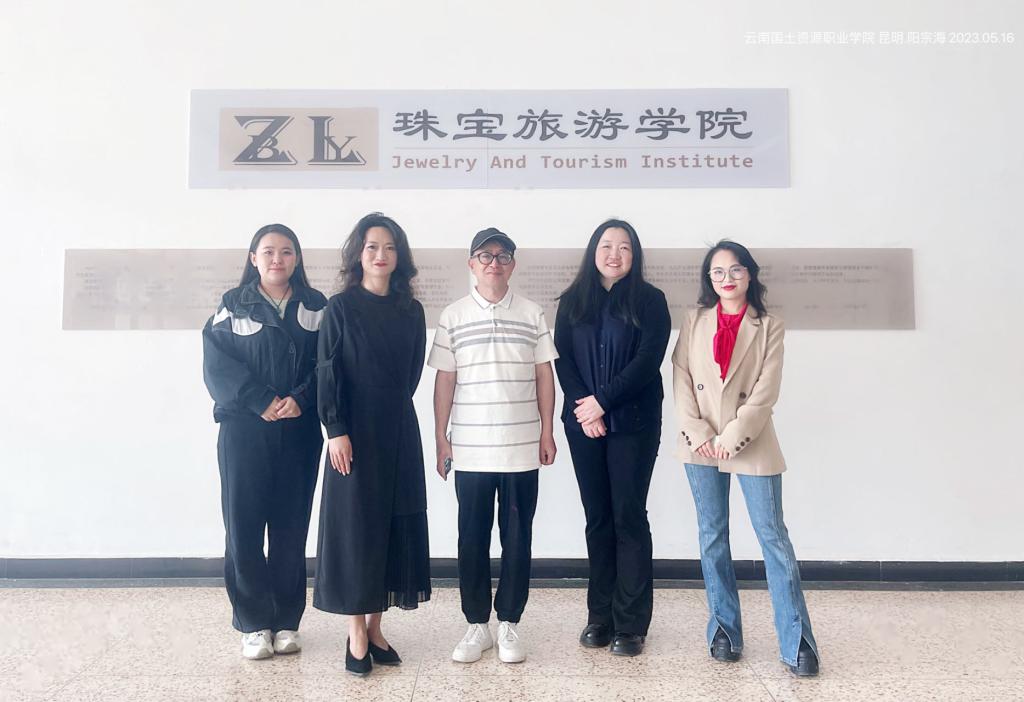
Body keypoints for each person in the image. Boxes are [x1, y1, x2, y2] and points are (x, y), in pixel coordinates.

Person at [671, 240, 820, 677]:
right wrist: (700, 433)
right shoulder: (694, 320)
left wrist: (732, 436)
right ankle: (724, 629)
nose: (727, 279)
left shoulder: (769, 325)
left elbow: (765, 391)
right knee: (712, 535)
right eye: (718, 272)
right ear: (709, 278)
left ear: (749, 274)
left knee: (772, 536)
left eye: (735, 270)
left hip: (750, 439)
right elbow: (681, 376)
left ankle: (797, 640)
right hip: (700, 443)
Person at [429, 227, 558, 665]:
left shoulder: (532, 313)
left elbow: (544, 375)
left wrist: (546, 431)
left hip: (521, 448)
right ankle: (476, 625)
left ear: (512, 264)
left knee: (518, 538)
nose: (494, 263)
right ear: (471, 264)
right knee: (472, 538)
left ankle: (509, 623)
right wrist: (441, 437)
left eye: (502, 256)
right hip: (471, 449)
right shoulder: (453, 315)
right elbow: (445, 379)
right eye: (485, 256)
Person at [313, 213, 431, 678]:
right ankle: (356, 632)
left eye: (390, 247)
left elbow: (412, 374)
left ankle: (377, 628)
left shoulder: (411, 311)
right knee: (356, 530)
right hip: (353, 434)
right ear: (358, 254)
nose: (381, 255)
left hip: (398, 430)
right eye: (372, 247)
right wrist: (335, 429)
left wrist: (391, 408)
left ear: (400, 257)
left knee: (392, 526)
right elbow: (327, 371)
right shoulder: (340, 308)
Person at [202, 223, 326, 660]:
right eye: (268, 251)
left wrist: (300, 399)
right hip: (244, 431)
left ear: (297, 258)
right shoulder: (231, 307)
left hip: (299, 431)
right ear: (253, 258)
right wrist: (260, 401)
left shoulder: (316, 307)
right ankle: (254, 623)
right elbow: (217, 367)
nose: (277, 259)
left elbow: (329, 363)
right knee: (244, 527)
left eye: (286, 251)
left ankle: (287, 621)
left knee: (291, 528)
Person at [553, 219, 671, 657]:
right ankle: (599, 616)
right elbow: (562, 358)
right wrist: (585, 407)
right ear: (593, 251)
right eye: (606, 246)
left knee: (628, 517)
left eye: (624, 247)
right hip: (584, 425)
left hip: (633, 424)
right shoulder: (572, 301)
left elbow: (647, 361)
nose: (614, 254)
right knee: (598, 518)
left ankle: (631, 623)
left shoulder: (651, 301)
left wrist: (602, 402)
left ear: (634, 255)